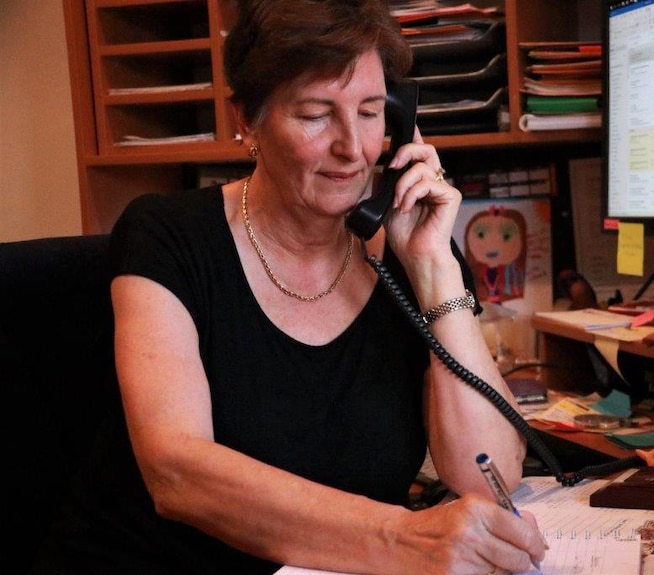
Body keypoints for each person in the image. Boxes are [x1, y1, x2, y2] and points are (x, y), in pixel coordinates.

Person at [33, 1, 546, 574]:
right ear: (247, 120)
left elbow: (488, 475)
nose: (353, 148)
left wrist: (433, 270)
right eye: (315, 114)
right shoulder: (168, 234)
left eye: (372, 112)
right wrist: (402, 536)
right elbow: (175, 472)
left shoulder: (407, 252)